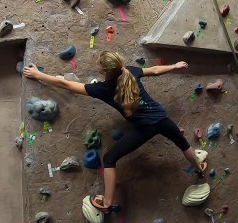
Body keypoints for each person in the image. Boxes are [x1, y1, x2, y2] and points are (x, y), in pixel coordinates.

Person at [23, 51, 206, 213]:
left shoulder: (102, 89)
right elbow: (155, 70)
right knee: (182, 142)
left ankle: (107, 202)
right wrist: (175, 65)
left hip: (145, 128)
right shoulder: (131, 71)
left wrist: (38, 74)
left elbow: (66, 84)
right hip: (162, 118)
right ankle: (199, 169)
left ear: (105, 71)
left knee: (109, 159)